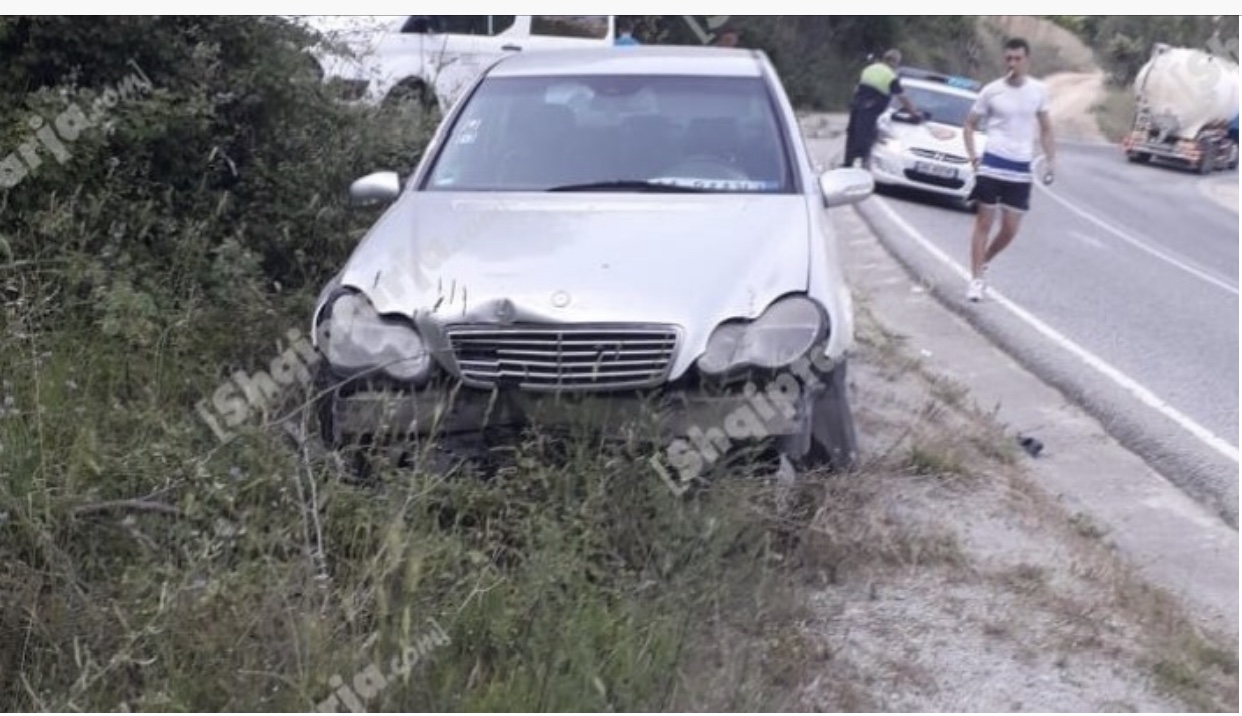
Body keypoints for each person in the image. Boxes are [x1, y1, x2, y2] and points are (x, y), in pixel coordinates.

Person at [961, 36, 1056, 302]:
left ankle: (985, 260)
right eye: (1008, 58)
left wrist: (1051, 161)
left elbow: (1047, 128)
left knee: (1010, 228)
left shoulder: (1038, 91)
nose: (1013, 63)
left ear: (1027, 60)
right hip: (992, 163)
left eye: (1018, 58)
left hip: (1020, 168)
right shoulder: (992, 90)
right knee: (983, 222)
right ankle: (976, 279)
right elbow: (969, 124)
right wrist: (973, 157)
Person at [842, 49, 920, 169]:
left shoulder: (869, 69)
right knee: (866, 137)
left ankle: (847, 163)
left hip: (857, 105)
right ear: (894, 62)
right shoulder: (890, 75)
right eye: (897, 63)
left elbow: (857, 88)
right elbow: (902, 97)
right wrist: (914, 114)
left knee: (852, 133)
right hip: (871, 108)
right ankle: (863, 165)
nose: (897, 66)